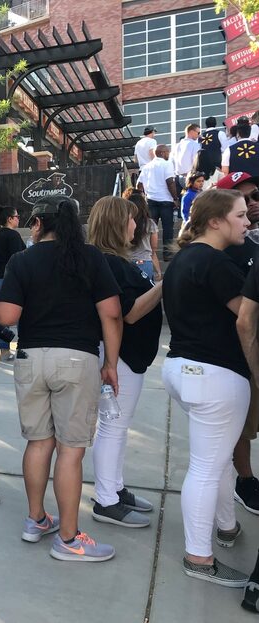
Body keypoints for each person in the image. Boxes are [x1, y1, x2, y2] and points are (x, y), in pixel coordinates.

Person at [0, 194, 122, 562]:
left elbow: (6, 316)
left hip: (31, 358)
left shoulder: (22, 260)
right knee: (71, 450)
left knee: (38, 443)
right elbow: (111, 314)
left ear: (37, 224)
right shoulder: (90, 257)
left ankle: (36, 519)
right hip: (76, 358)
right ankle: (68, 539)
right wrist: (110, 363)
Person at [162, 188, 251, 587]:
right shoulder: (216, 263)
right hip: (214, 374)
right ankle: (199, 557)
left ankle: (226, 527)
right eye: (240, 215)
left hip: (183, 369)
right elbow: (248, 319)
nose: (247, 221)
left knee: (214, 460)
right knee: (207, 466)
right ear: (215, 221)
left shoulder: (183, 258)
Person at [86, 196, 163, 529]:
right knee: (113, 428)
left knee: (116, 427)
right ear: (117, 223)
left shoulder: (116, 262)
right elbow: (129, 312)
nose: (136, 225)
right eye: (131, 220)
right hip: (120, 359)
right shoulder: (109, 264)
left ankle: (114, 488)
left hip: (127, 358)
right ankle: (106, 500)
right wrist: (165, 285)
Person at [220, 172, 259, 514]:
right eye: (242, 202)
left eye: (254, 196)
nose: (252, 204)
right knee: (242, 426)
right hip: (239, 353)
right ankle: (244, 480)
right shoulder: (220, 252)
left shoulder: (251, 244)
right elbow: (242, 316)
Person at [0, 205, 25, 362]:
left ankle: (4, 351)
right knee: (22, 313)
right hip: (8, 278)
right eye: (16, 216)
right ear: (10, 219)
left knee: (1, 316)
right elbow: (18, 258)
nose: (18, 219)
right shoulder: (13, 236)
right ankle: (22, 348)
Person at [138, 144, 180, 260]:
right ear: (162, 153)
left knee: (150, 229)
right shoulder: (167, 164)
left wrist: (143, 196)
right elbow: (170, 182)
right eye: (167, 152)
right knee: (167, 228)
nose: (168, 154)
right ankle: (167, 254)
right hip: (166, 201)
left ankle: (149, 253)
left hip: (151, 201)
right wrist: (175, 199)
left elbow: (139, 185)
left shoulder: (147, 166)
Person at [124, 189, 162, 281]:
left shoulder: (123, 223)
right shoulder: (150, 224)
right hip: (144, 262)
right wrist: (158, 270)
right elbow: (153, 250)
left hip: (126, 261)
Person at [171, 124, 202, 190]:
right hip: (190, 178)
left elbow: (172, 161)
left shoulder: (177, 145)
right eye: (198, 132)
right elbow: (196, 162)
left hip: (177, 178)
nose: (199, 135)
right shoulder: (195, 145)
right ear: (191, 132)